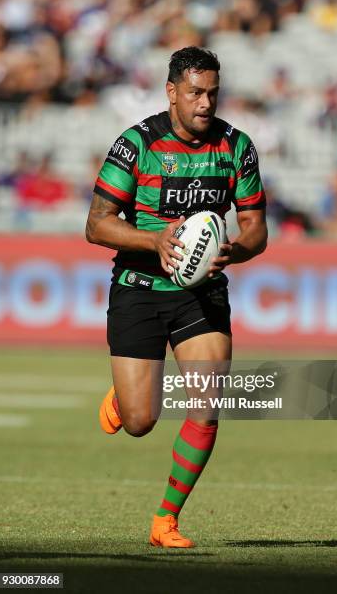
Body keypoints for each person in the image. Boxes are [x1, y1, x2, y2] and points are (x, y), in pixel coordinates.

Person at [85, 46, 267, 548]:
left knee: (207, 403)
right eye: (195, 93)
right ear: (171, 93)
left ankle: (166, 520)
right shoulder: (136, 145)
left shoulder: (236, 147)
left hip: (202, 294)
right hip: (139, 290)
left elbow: (256, 229)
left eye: (212, 93)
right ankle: (128, 399)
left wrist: (235, 250)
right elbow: (96, 225)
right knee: (141, 421)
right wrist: (154, 240)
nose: (206, 103)